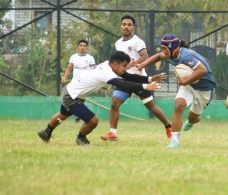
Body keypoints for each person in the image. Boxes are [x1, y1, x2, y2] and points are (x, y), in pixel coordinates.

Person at [37, 51, 165, 146]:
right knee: (93, 121)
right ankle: (81, 138)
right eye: (123, 66)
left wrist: (150, 79)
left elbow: (128, 77)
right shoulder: (106, 73)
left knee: (63, 115)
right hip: (71, 96)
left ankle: (46, 132)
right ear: (115, 64)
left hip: (71, 91)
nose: (124, 69)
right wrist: (146, 86)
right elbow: (123, 84)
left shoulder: (107, 66)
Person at [137, 33, 218, 148]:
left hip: (204, 89)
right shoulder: (172, 53)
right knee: (178, 105)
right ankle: (174, 141)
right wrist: (142, 65)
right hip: (189, 85)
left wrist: (184, 81)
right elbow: (158, 56)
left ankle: (191, 122)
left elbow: (202, 70)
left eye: (165, 49)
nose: (163, 52)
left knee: (193, 118)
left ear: (172, 47)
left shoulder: (186, 56)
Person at [100, 15, 172, 141]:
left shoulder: (137, 41)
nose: (126, 27)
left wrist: (133, 65)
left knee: (151, 107)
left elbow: (145, 56)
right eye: (124, 24)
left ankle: (168, 126)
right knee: (115, 104)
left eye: (129, 24)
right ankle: (112, 133)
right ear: (120, 26)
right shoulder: (118, 43)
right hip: (124, 79)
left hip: (137, 79)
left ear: (133, 27)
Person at [61, 39, 96, 122]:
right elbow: (69, 69)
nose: (82, 47)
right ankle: (77, 113)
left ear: (87, 48)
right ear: (78, 47)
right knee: (74, 97)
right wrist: (64, 77)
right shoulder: (74, 57)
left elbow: (94, 70)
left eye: (84, 46)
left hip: (85, 83)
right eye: (81, 45)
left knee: (79, 98)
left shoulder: (90, 58)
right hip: (75, 82)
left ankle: (78, 113)